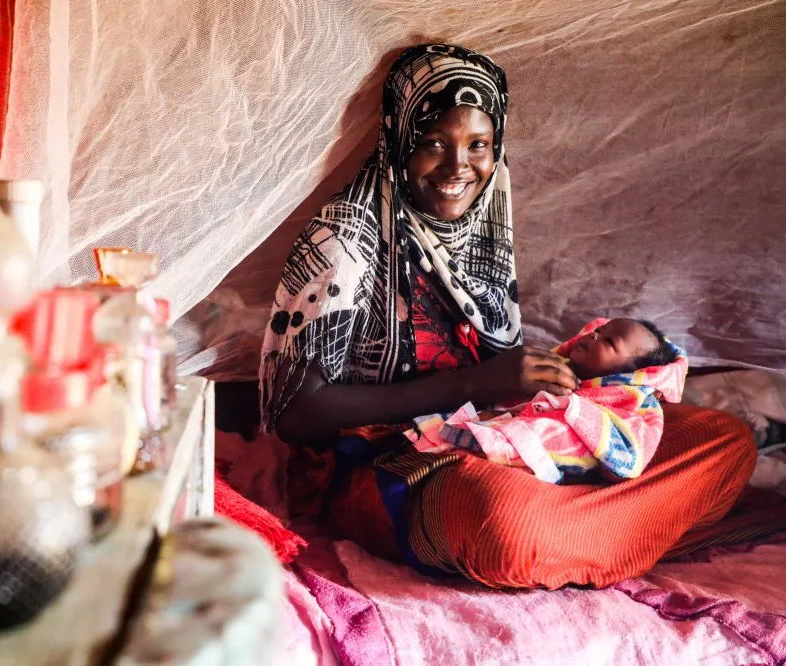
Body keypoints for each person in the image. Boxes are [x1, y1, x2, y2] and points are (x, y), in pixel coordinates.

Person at [259, 44, 771, 589]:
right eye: (434, 143)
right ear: (399, 139)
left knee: (723, 439)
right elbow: (296, 413)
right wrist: (478, 382)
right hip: (383, 463)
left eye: (478, 144)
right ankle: (605, 534)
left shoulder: (482, 229)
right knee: (504, 521)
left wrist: (577, 396)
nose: (460, 167)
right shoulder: (346, 238)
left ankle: (586, 535)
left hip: (501, 435)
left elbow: (511, 394)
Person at [416, 317, 687, 485]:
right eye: (599, 329)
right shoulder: (555, 367)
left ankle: (494, 449)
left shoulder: (627, 400)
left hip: (544, 464)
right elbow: (512, 395)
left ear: (631, 371)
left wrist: (576, 410)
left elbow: (628, 452)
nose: (594, 335)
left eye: (609, 341)